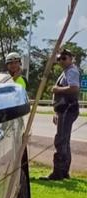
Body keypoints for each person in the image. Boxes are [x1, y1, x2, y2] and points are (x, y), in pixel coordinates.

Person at [47, 48, 81, 180]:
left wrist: (57, 89)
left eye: (64, 58)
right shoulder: (66, 71)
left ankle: (58, 172)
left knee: (60, 140)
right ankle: (64, 171)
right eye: (59, 58)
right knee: (64, 141)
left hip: (68, 108)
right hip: (63, 109)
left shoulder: (72, 71)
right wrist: (57, 111)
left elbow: (74, 88)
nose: (61, 61)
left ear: (71, 58)